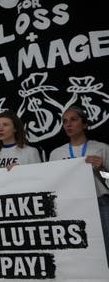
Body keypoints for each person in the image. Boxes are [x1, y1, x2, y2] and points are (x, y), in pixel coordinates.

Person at [49, 106, 109, 263]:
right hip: (70, 206)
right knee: (78, 253)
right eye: (64, 121)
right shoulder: (56, 154)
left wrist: (101, 169)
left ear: (85, 124)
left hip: (99, 204)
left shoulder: (101, 148)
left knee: (105, 248)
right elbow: (52, 185)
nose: (68, 124)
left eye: (73, 120)